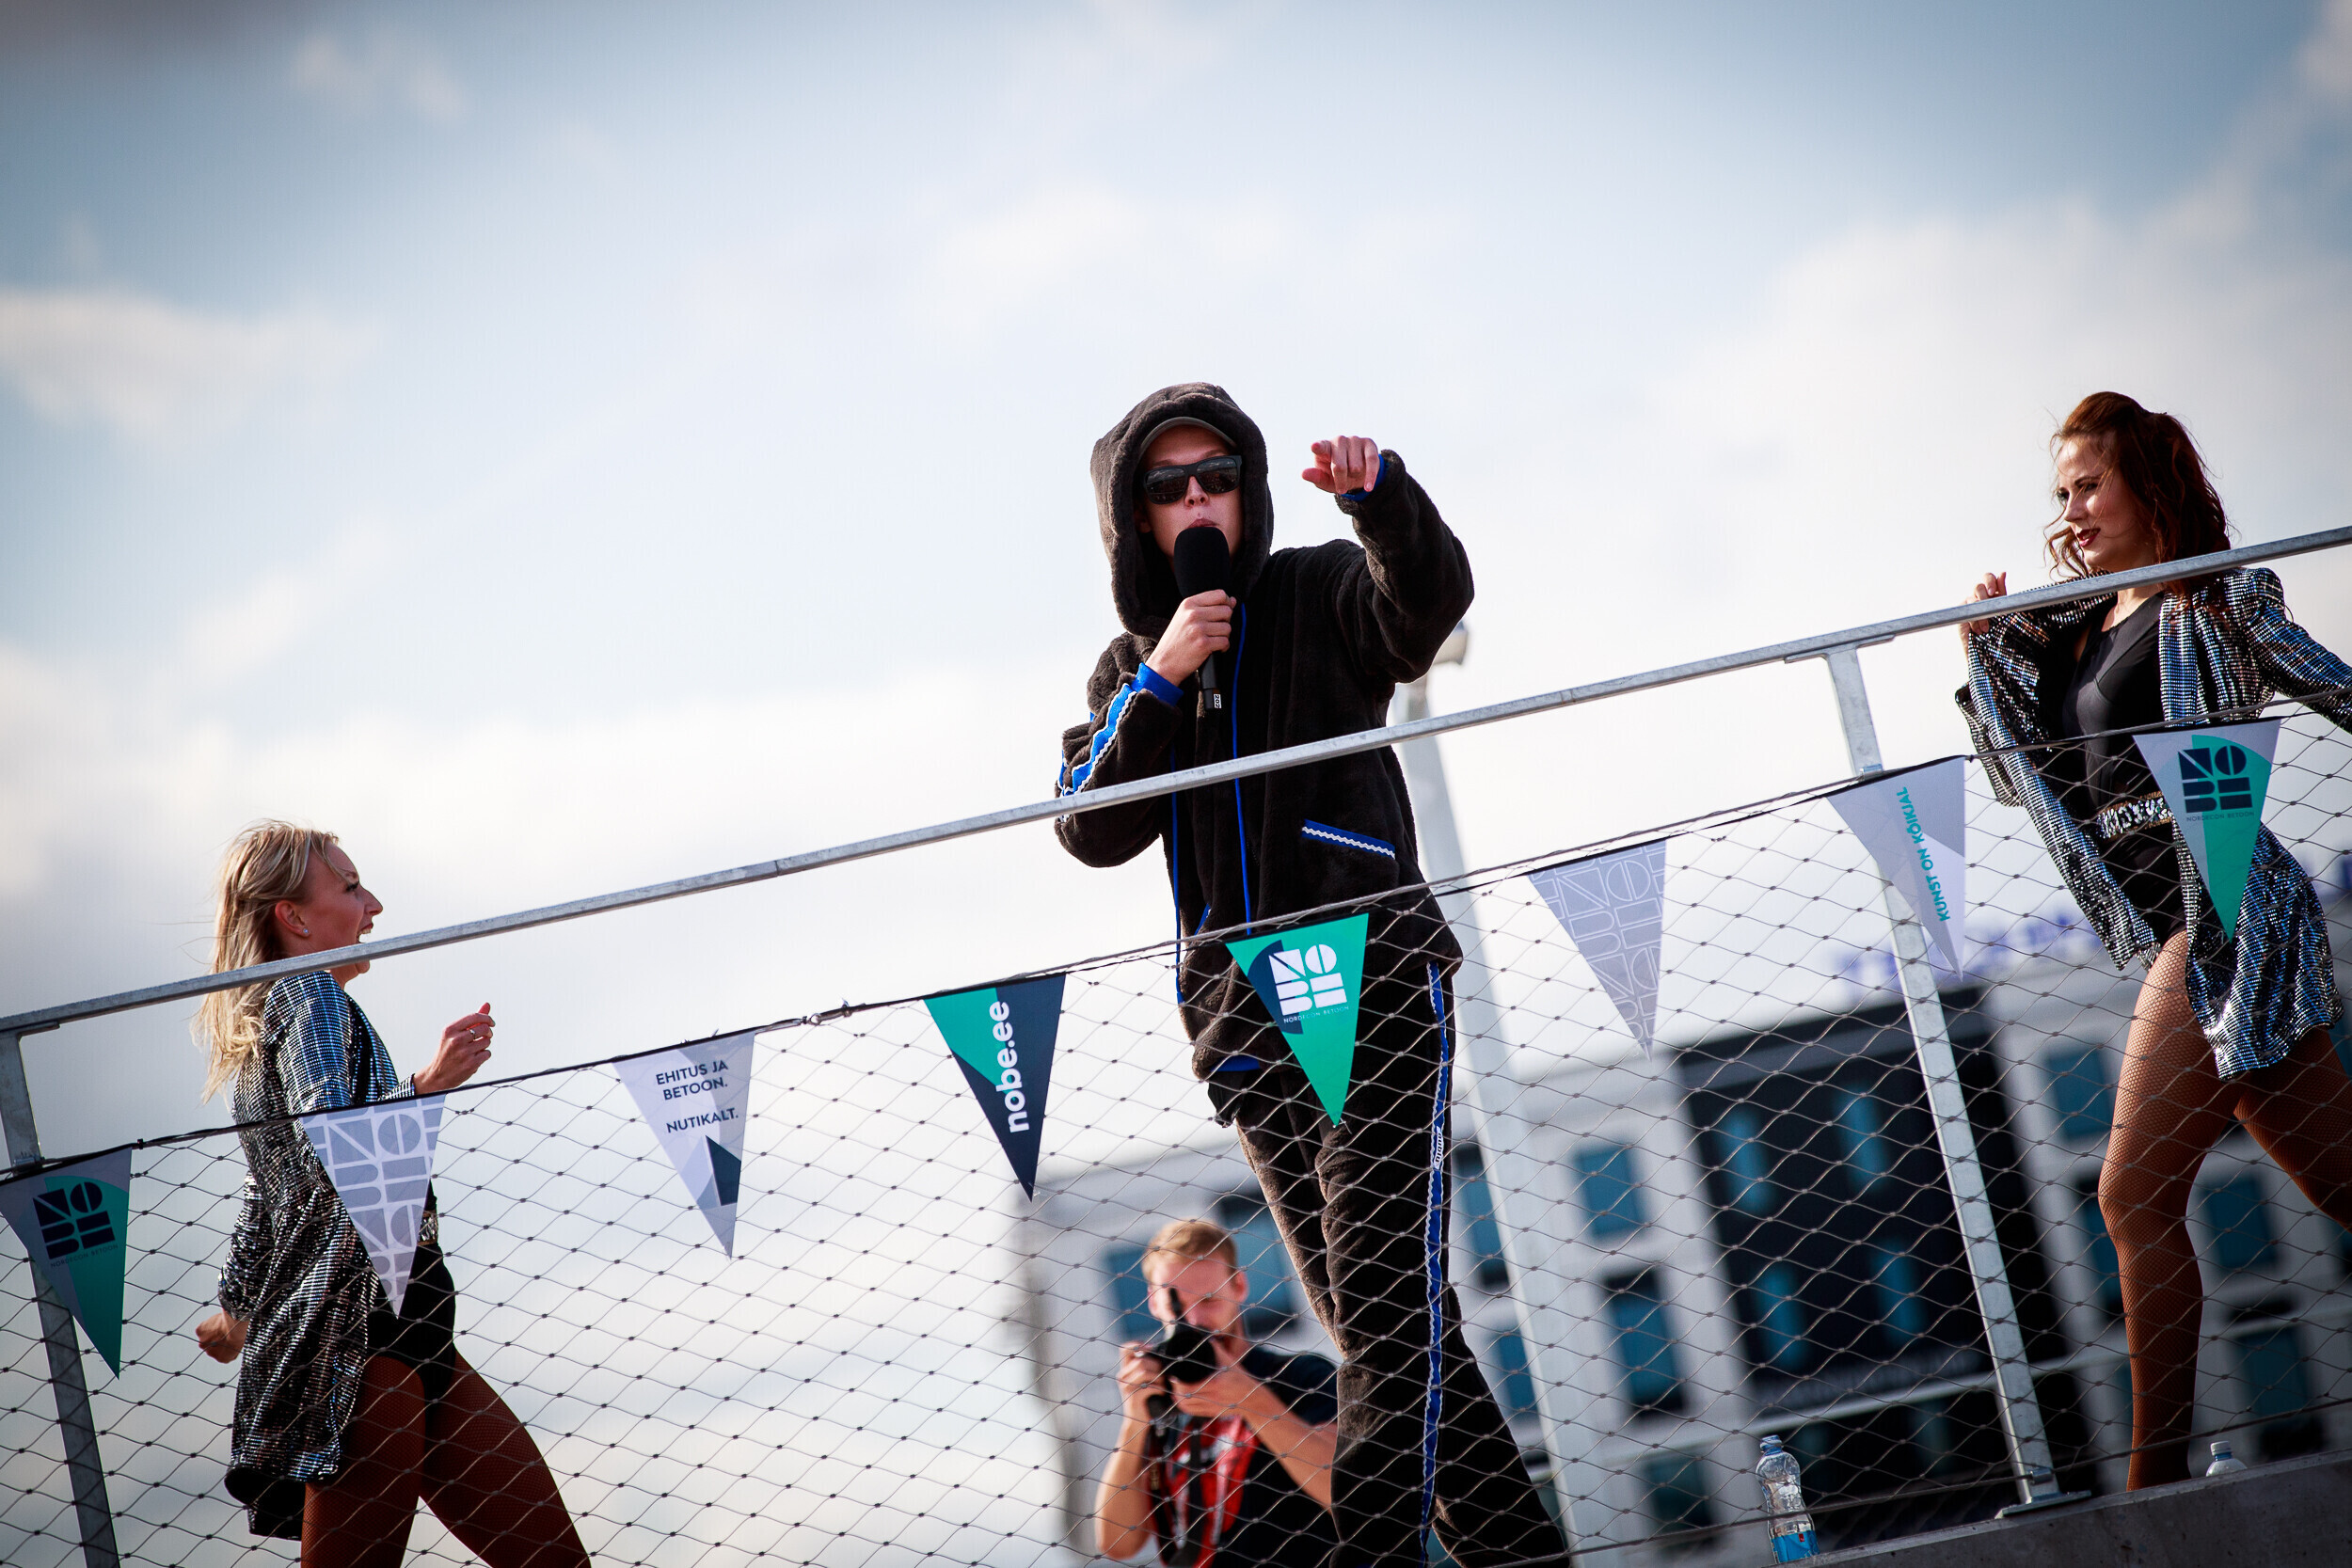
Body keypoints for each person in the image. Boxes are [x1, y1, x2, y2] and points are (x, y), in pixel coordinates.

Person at [1056, 384, 1565, 1567]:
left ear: (1249, 488)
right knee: (1374, 1315)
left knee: (1383, 1299)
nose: (1199, 499)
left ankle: (1371, 1551)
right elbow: (1089, 824)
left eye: (1218, 476)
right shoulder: (1129, 667)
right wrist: (1161, 677)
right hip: (1243, 1024)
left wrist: (1382, 503)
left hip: (1366, 969)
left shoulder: (1316, 586)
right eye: (1170, 486)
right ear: (1133, 518)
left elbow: (1421, 610)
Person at [1958, 391, 2352, 1488]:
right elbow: (2016, 783)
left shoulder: (2213, 597)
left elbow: (2335, 686)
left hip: (2227, 907)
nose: (2071, 511)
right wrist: (1988, 653)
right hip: (2168, 922)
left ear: (2149, 482)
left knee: (2130, 1194)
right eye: (2061, 494)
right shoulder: (2072, 629)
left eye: (2089, 485)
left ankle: (2151, 1487)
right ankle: (2156, 1483)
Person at [191, 821, 592, 1566]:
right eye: (350, 887)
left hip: (410, 1318)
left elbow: (270, 1193)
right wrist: (428, 1085)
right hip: (364, 1331)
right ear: (293, 916)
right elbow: (333, 1144)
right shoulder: (309, 992)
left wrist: (237, 1311)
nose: (372, 903)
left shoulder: (274, 1013)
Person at [1095, 1217, 1340, 1566]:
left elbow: (1345, 1494)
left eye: (1209, 1300)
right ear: (1153, 1302)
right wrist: (1135, 1422)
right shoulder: (1161, 1400)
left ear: (1239, 1286)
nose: (1194, 1321)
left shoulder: (1299, 1376)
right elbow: (1118, 1544)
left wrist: (1252, 1401)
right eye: (1178, 1306)